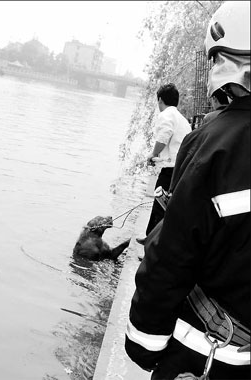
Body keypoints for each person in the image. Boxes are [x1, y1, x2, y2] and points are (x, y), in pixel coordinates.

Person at [125, 2, 250, 380]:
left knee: (165, 221)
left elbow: (171, 257)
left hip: (210, 353)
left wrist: (143, 343)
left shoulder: (215, 143)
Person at [136, 83, 190, 245]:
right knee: (167, 206)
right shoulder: (182, 119)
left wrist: (153, 154)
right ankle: (153, 239)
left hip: (170, 169)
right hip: (180, 167)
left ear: (160, 100)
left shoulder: (166, 114)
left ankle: (151, 243)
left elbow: (164, 135)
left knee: (160, 204)